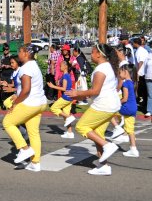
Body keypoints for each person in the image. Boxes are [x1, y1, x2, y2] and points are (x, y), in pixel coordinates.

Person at [66, 43, 121, 176]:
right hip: (111, 104)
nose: (91, 54)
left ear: (99, 54)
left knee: (81, 127)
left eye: (92, 52)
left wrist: (77, 94)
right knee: (97, 133)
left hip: (104, 105)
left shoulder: (101, 69)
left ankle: (108, 145)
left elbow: (95, 90)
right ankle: (104, 166)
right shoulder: (108, 67)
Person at [3, 44, 48, 172]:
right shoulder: (34, 65)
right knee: (33, 132)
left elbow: (26, 90)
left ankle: (24, 149)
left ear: (26, 53)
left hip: (30, 103)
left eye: (20, 52)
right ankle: (35, 163)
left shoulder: (25, 68)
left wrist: (15, 103)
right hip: (40, 103)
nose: (19, 54)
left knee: (7, 122)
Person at [111, 64, 140, 157]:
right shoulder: (132, 82)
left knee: (109, 113)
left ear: (126, 72)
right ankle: (133, 149)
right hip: (133, 108)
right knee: (130, 129)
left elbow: (125, 99)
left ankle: (118, 128)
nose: (119, 74)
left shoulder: (125, 83)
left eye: (120, 72)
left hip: (127, 107)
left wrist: (117, 102)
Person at [48, 61, 76, 139]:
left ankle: (69, 116)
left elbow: (64, 88)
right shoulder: (66, 75)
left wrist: (53, 86)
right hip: (69, 97)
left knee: (53, 108)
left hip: (66, 97)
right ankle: (70, 133)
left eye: (61, 66)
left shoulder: (65, 76)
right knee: (65, 116)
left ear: (65, 67)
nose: (60, 67)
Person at [0, 43, 14, 109]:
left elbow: (14, 66)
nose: (5, 51)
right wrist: (0, 66)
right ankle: (3, 103)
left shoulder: (11, 57)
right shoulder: (1, 57)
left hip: (10, 75)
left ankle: (10, 102)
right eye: (4, 50)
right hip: (3, 75)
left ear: (9, 50)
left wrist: (8, 66)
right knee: (3, 89)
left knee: (9, 89)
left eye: (6, 49)